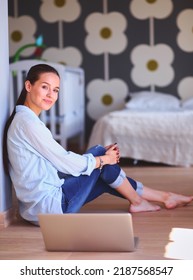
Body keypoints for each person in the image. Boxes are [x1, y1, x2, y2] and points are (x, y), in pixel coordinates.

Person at [3, 64, 193, 226]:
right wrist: (104, 159)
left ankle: (158, 198)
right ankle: (149, 199)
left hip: (36, 209)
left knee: (103, 167)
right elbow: (65, 163)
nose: (51, 95)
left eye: (55, 90)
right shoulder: (27, 124)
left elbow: (60, 163)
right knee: (101, 158)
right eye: (45, 87)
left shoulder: (24, 120)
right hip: (51, 208)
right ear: (28, 85)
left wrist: (102, 159)